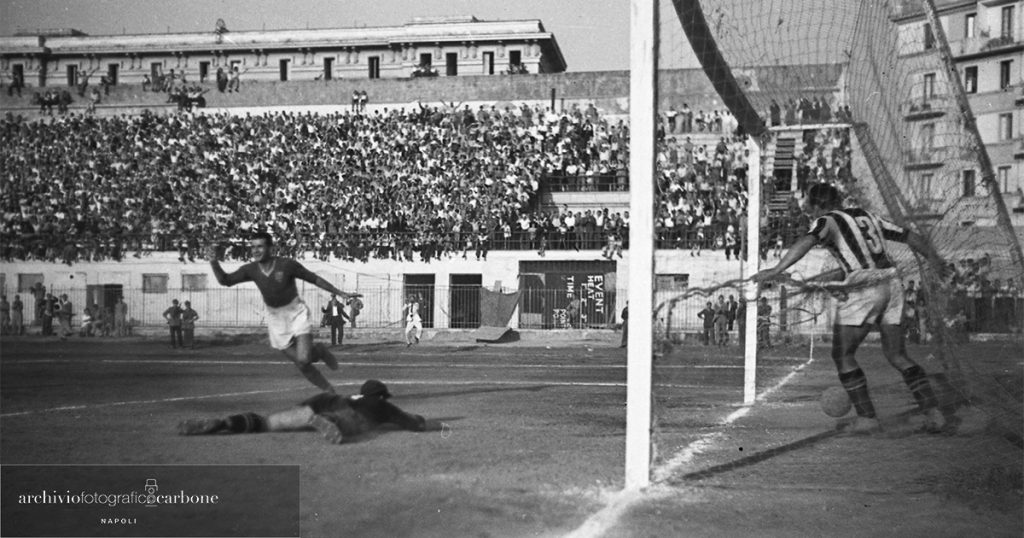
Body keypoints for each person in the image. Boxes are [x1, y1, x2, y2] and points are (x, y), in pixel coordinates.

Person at [752, 182, 950, 433]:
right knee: (897, 355)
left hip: (865, 285)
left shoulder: (828, 220)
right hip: (891, 282)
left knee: (843, 355)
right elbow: (909, 236)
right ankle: (933, 412)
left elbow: (808, 240)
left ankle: (867, 418)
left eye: (810, 207)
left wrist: (777, 269)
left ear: (817, 205)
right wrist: (935, 259)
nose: (809, 212)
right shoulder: (866, 215)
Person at [208, 232, 361, 394]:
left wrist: (341, 293)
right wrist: (213, 262)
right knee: (302, 364)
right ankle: (329, 392)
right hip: (276, 320)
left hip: (296, 313)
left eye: (260, 246)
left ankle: (320, 350)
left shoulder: (286, 265)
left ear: (270, 248)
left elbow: (313, 279)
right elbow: (226, 280)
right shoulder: (250, 269)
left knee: (304, 358)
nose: (255, 250)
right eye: (253, 247)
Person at [177, 380, 430, 444]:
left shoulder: (348, 395)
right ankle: (329, 422)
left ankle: (226, 422)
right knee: (348, 421)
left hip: (323, 401)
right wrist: (420, 420)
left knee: (267, 422)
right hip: (346, 413)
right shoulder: (379, 404)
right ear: (381, 396)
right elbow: (411, 422)